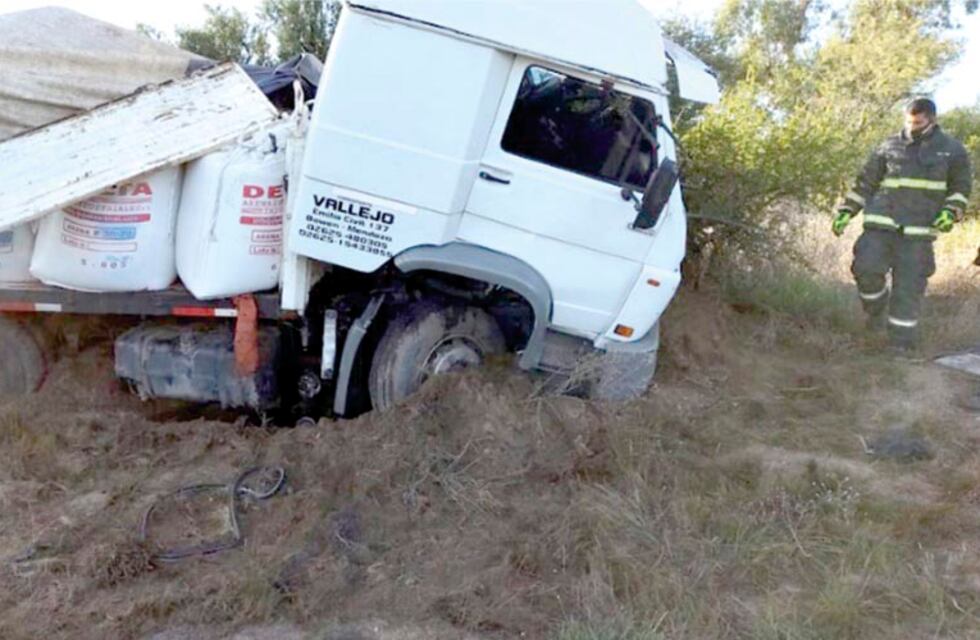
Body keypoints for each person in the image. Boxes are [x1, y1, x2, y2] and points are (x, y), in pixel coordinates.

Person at [832, 97, 973, 351]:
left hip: (918, 233)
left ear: (932, 120)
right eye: (908, 121)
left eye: (917, 122)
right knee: (865, 270)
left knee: (908, 290)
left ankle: (900, 347)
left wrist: (950, 212)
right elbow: (865, 183)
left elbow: (961, 189)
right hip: (880, 225)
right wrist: (846, 211)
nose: (911, 127)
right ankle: (877, 312)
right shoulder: (888, 145)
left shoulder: (952, 150)